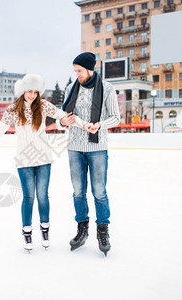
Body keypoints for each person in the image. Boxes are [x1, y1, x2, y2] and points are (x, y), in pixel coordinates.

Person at [0, 74, 90, 252]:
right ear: (22, 91)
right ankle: (27, 232)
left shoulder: (43, 106)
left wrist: (85, 125)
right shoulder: (12, 110)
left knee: (42, 196)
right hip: (24, 160)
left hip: (43, 159)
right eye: (29, 91)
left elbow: (65, 116)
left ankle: (45, 230)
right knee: (28, 197)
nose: (32, 95)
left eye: (35, 91)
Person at [60, 52, 120, 256]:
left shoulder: (107, 89)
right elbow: (63, 116)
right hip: (75, 147)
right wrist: (62, 121)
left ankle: (103, 231)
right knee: (78, 192)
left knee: (99, 192)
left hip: (97, 148)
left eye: (79, 70)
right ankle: (82, 229)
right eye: (75, 70)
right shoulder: (71, 88)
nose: (76, 74)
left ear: (89, 69)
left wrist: (100, 125)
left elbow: (115, 118)